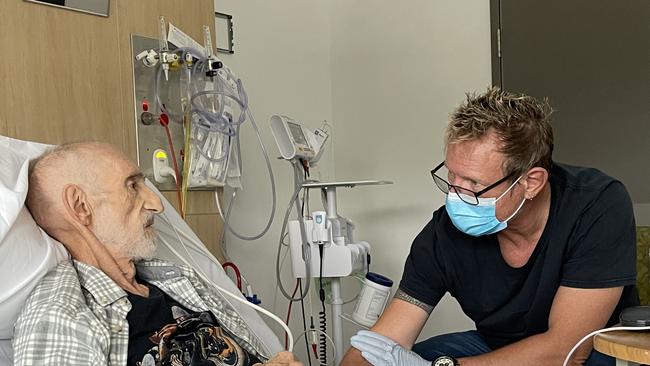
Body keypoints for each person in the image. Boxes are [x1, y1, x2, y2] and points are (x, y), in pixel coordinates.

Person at [342, 87, 638, 366]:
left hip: (589, 351)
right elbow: (382, 342)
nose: (454, 196)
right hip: (496, 347)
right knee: (413, 356)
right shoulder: (443, 234)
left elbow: (566, 352)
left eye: (473, 184)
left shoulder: (596, 205)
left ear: (531, 182)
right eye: (451, 177)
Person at [13, 142, 302, 366]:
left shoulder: (170, 278)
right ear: (80, 207)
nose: (156, 204)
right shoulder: (62, 313)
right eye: (133, 186)